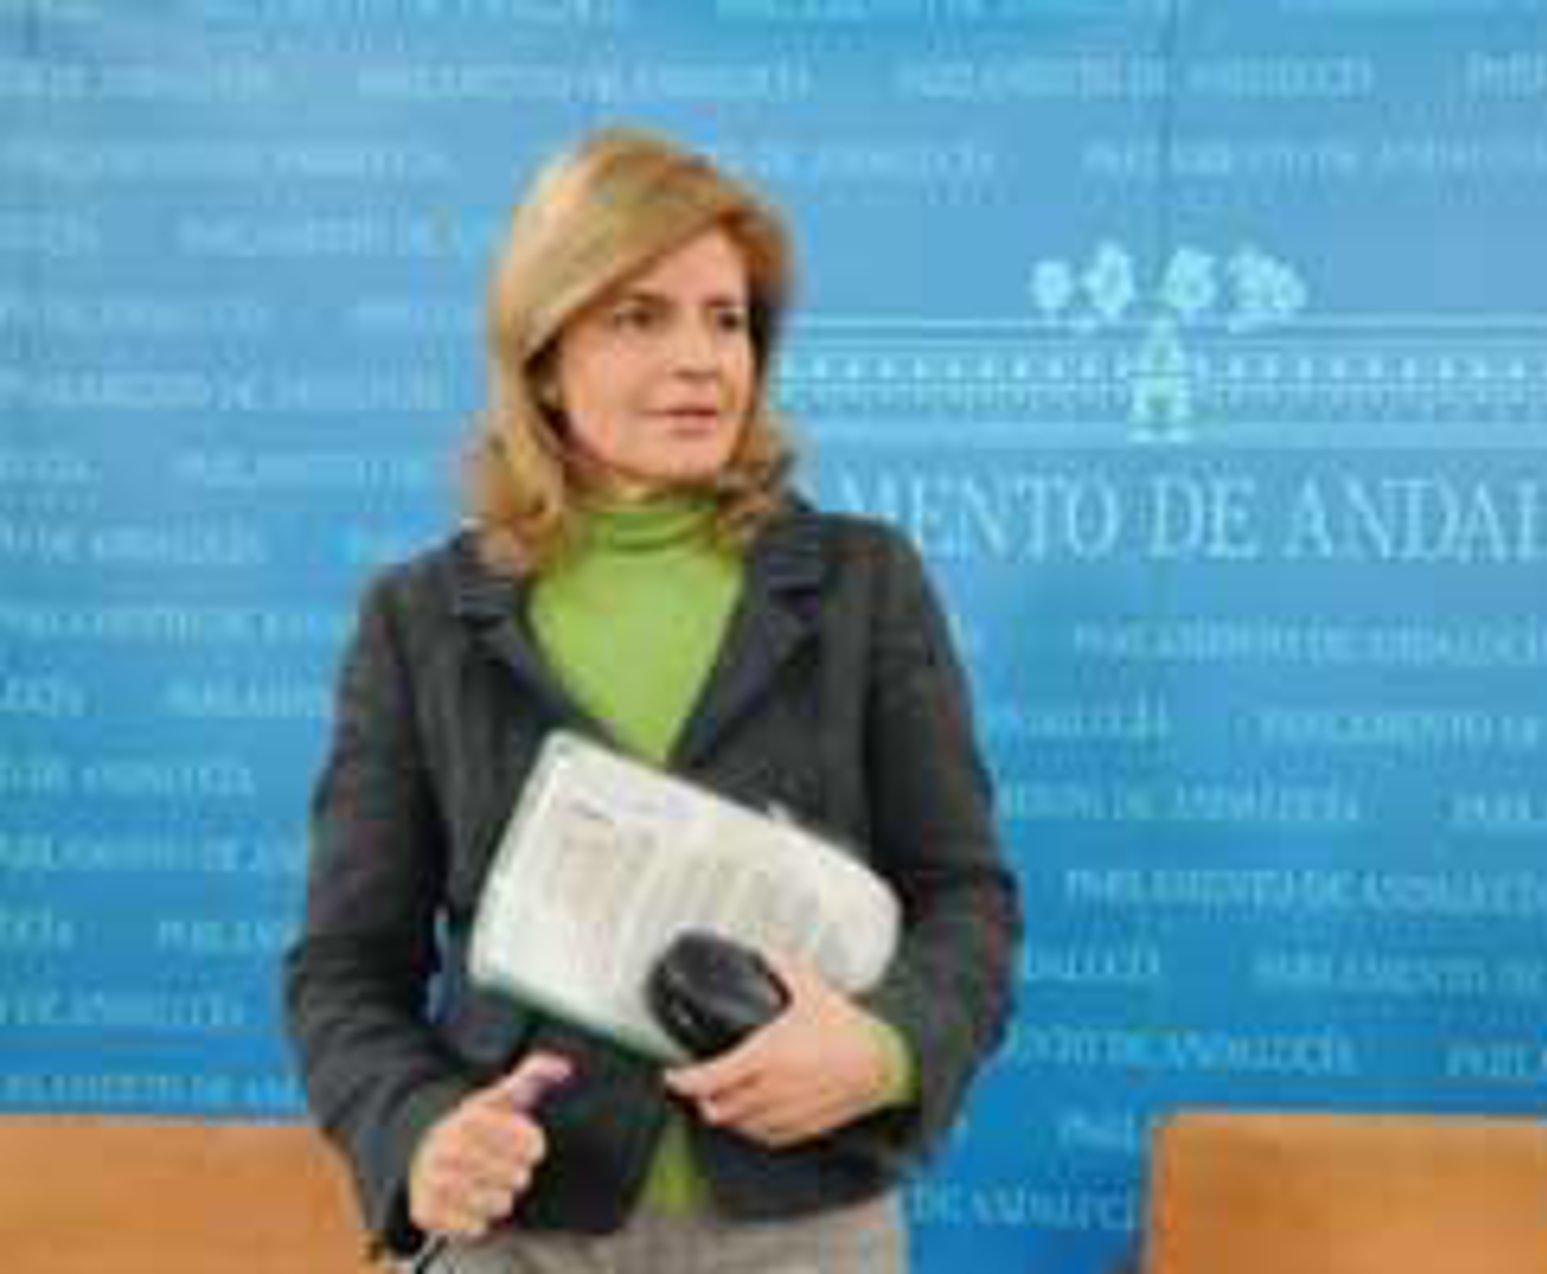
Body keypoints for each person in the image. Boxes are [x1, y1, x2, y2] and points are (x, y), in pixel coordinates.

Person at [284, 127, 1021, 1273]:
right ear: (542, 357)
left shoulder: (865, 583)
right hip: (519, 1231)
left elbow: (965, 901)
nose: (700, 359)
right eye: (640, 317)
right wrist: (420, 1129)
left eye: (725, 319)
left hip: (803, 1229)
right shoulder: (417, 619)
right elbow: (343, 967)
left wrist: (883, 1050)